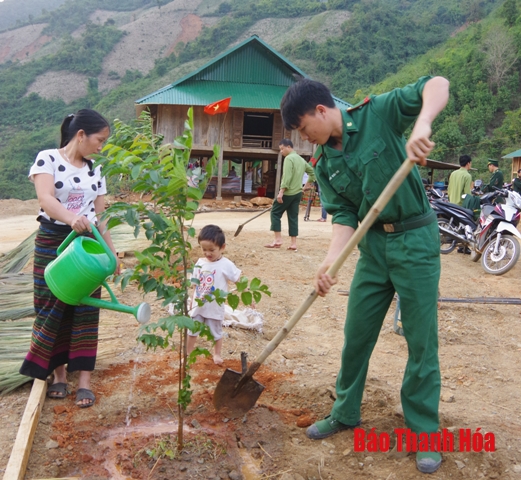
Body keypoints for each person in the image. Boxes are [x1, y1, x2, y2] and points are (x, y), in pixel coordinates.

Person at [280, 75, 449, 474]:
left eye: (305, 128)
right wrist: (329, 262)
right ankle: (345, 411)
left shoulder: (378, 114)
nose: (306, 138)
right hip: (372, 248)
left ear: (321, 111)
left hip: (415, 240)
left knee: (421, 341)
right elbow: (344, 216)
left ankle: (424, 432)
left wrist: (422, 124)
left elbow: (436, 83)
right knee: (356, 332)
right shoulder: (324, 164)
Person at [19, 109, 117, 408]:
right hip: (54, 241)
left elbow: (101, 216)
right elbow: (46, 199)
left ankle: (84, 380)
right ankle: (59, 375)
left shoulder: (95, 170)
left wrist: (111, 254)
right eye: (99, 140)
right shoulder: (47, 158)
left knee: (86, 309)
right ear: (80, 135)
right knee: (52, 305)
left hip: (87, 247)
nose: (101, 146)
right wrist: (71, 217)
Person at [188, 225, 241, 365]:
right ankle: (188, 353)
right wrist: (192, 300)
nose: (207, 253)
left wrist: (247, 293)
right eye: (204, 249)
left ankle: (217, 354)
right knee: (192, 330)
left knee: (216, 331)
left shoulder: (226, 264)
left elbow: (237, 279)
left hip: (214, 306)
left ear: (222, 247)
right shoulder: (199, 263)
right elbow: (195, 284)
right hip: (198, 305)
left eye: (212, 250)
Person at [265, 139, 315, 251]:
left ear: (289, 147)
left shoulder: (289, 158)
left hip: (288, 192)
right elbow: (312, 172)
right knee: (293, 216)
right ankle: (293, 243)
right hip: (298, 193)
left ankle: (278, 240)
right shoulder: (301, 159)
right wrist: (306, 186)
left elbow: (286, 177)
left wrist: (281, 192)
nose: (281, 151)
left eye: (282, 149)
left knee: (275, 212)